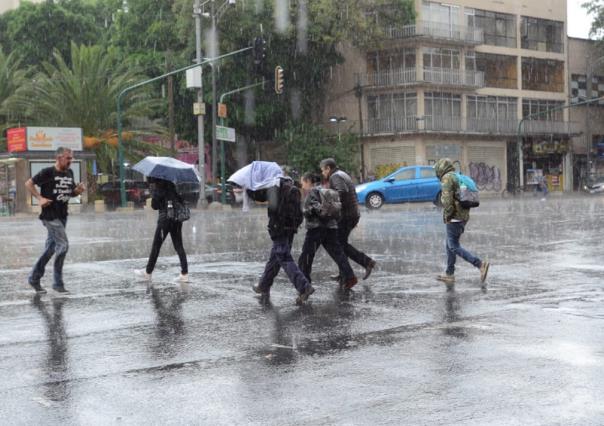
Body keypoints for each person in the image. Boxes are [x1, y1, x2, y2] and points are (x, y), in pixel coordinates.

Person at [25, 147, 86, 294]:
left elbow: (69, 192)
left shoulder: (69, 173)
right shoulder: (48, 172)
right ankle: (58, 283)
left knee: (51, 249)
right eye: (68, 158)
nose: (70, 161)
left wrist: (77, 191)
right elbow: (29, 183)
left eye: (71, 158)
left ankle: (34, 278)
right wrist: (39, 198)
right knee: (63, 246)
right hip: (50, 215)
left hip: (62, 215)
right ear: (59, 158)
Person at [252, 176, 315, 305]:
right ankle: (263, 285)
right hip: (290, 229)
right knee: (275, 258)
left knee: (284, 258)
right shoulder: (293, 189)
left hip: (278, 229)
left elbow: (258, 196)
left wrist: (249, 188)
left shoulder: (274, 188)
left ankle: (304, 287)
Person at [434, 158, 489, 287]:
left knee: (453, 246)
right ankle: (450, 274)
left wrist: (447, 216)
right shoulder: (456, 176)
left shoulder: (447, 178)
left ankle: (480, 264)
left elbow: (447, 201)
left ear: (441, 168)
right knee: (449, 245)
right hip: (463, 215)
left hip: (454, 217)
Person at [319, 158, 376, 285]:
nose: (323, 173)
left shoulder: (335, 176)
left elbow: (341, 192)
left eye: (323, 170)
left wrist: (327, 200)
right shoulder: (341, 173)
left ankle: (366, 262)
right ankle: (346, 271)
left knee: (338, 245)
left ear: (328, 168)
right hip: (351, 214)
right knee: (340, 244)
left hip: (346, 216)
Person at [297, 173, 358, 289]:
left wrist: (305, 211)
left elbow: (315, 209)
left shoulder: (312, 192)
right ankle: (350, 277)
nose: (302, 185)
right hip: (331, 227)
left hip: (316, 229)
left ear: (308, 181)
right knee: (338, 253)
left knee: (306, 256)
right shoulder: (327, 189)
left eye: (302, 182)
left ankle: (304, 284)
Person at [135, 177, 188, 283]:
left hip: (165, 220)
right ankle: (184, 274)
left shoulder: (158, 188)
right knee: (179, 246)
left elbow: (154, 206)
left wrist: (155, 195)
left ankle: (148, 272)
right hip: (177, 219)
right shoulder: (172, 186)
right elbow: (181, 201)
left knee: (156, 246)